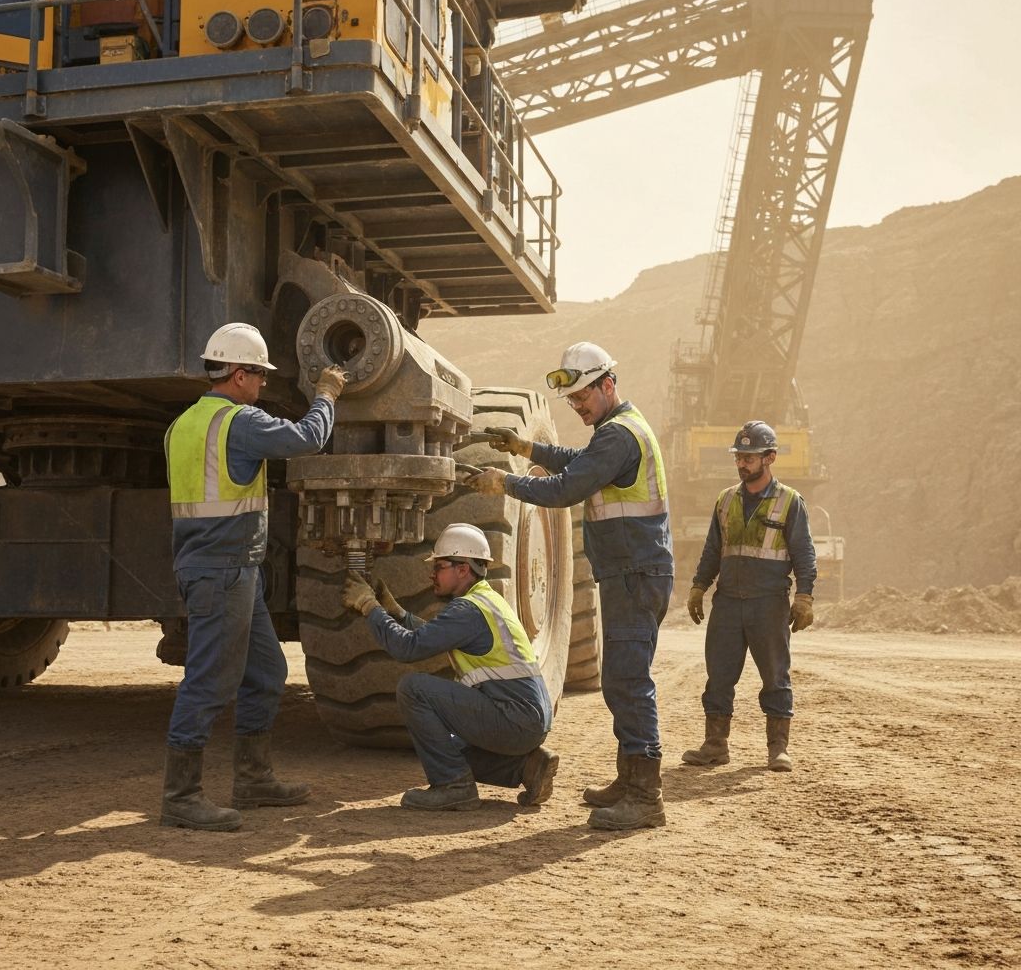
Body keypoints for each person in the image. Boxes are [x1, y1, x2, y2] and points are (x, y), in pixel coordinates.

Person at [465, 342, 672, 831]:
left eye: (583, 396)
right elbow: (579, 462)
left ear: (607, 384)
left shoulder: (619, 436)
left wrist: (506, 483)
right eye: (572, 400)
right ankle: (630, 779)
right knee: (621, 679)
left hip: (635, 574)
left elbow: (567, 487)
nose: (578, 406)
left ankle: (646, 796)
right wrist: (526, 449)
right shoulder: (616, 432)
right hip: (631, 571)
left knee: (628, 680)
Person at [161, 322, 347, 831]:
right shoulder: (238, 423)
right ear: (239, 374)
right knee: (208, 682)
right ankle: (181, 795)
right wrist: (326, 393)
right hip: (221, 571)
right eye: (260, 375)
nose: (264, 384)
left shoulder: (182, 426)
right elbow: (310, 437)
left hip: (225, 567)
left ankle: (253, 778)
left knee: (266, 674)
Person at [340, 523, 558, 812]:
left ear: (463, 569)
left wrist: (370, 607)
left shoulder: (466, 610)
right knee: (445, 748)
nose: (432, 573)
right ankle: (527, 767)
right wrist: (397, 614)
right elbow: (432, 636)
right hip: (526, 718)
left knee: (413, 689)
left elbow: (408, 648)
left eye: (440, 565)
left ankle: (453, 786)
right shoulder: (484, 601)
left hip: (514, 718)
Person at [682, 420, 816, 773]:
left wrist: (804, 596)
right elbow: (713, 549)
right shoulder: (725, 500)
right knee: (719, 676)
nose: (742, 464)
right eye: (739, 457)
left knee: (775, 676)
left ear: (770, 458)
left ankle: (777, 749)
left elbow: (804, 554)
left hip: (768, 603)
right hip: (727, 603)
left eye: (750, 457)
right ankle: (715, 745)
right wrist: (699, 586)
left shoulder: (790, 502)